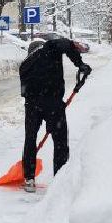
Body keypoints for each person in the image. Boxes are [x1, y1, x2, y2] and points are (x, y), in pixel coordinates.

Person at [19, 32, 91, 193]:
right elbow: (66, 44)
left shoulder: (24, 65)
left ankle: (29, 178)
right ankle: (60, 178)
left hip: (32, 106)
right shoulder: (49, 48)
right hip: (53, 104)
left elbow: (24, 91)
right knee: (60, 141)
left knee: (30, 139)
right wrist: (80, 64)